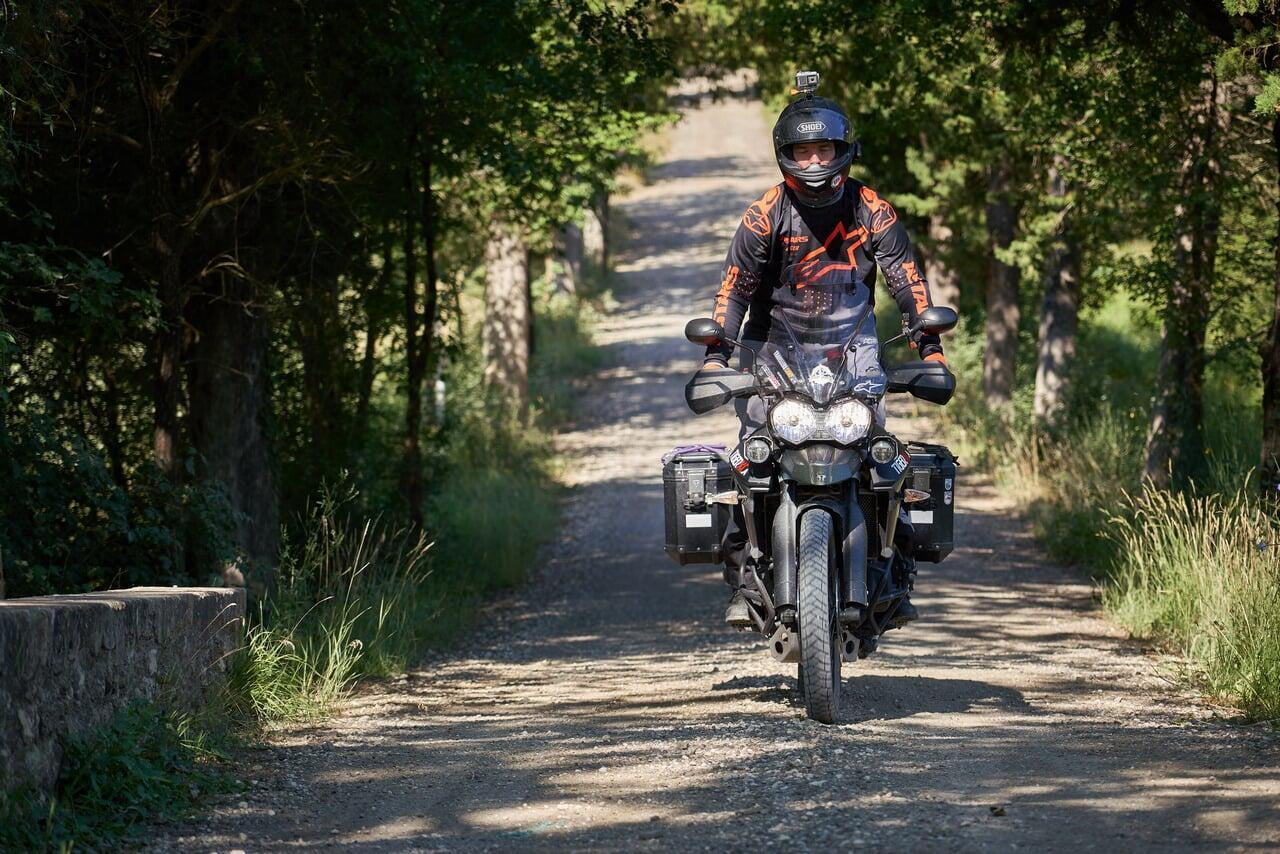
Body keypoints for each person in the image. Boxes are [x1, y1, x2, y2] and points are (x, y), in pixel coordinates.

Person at [697, 73, 948, 627]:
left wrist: (929, 349)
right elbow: (734, 285)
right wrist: (716, 356)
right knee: (753, 458)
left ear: (844, 151)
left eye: (824, 149)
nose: (813, 161)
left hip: (853, 344)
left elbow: (906, 278)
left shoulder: (871, 209)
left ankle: (894, 571)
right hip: (771, 347)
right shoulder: (764, 215)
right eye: (803, 150)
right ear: (785, 155)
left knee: (884, 456)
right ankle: (745, 584)